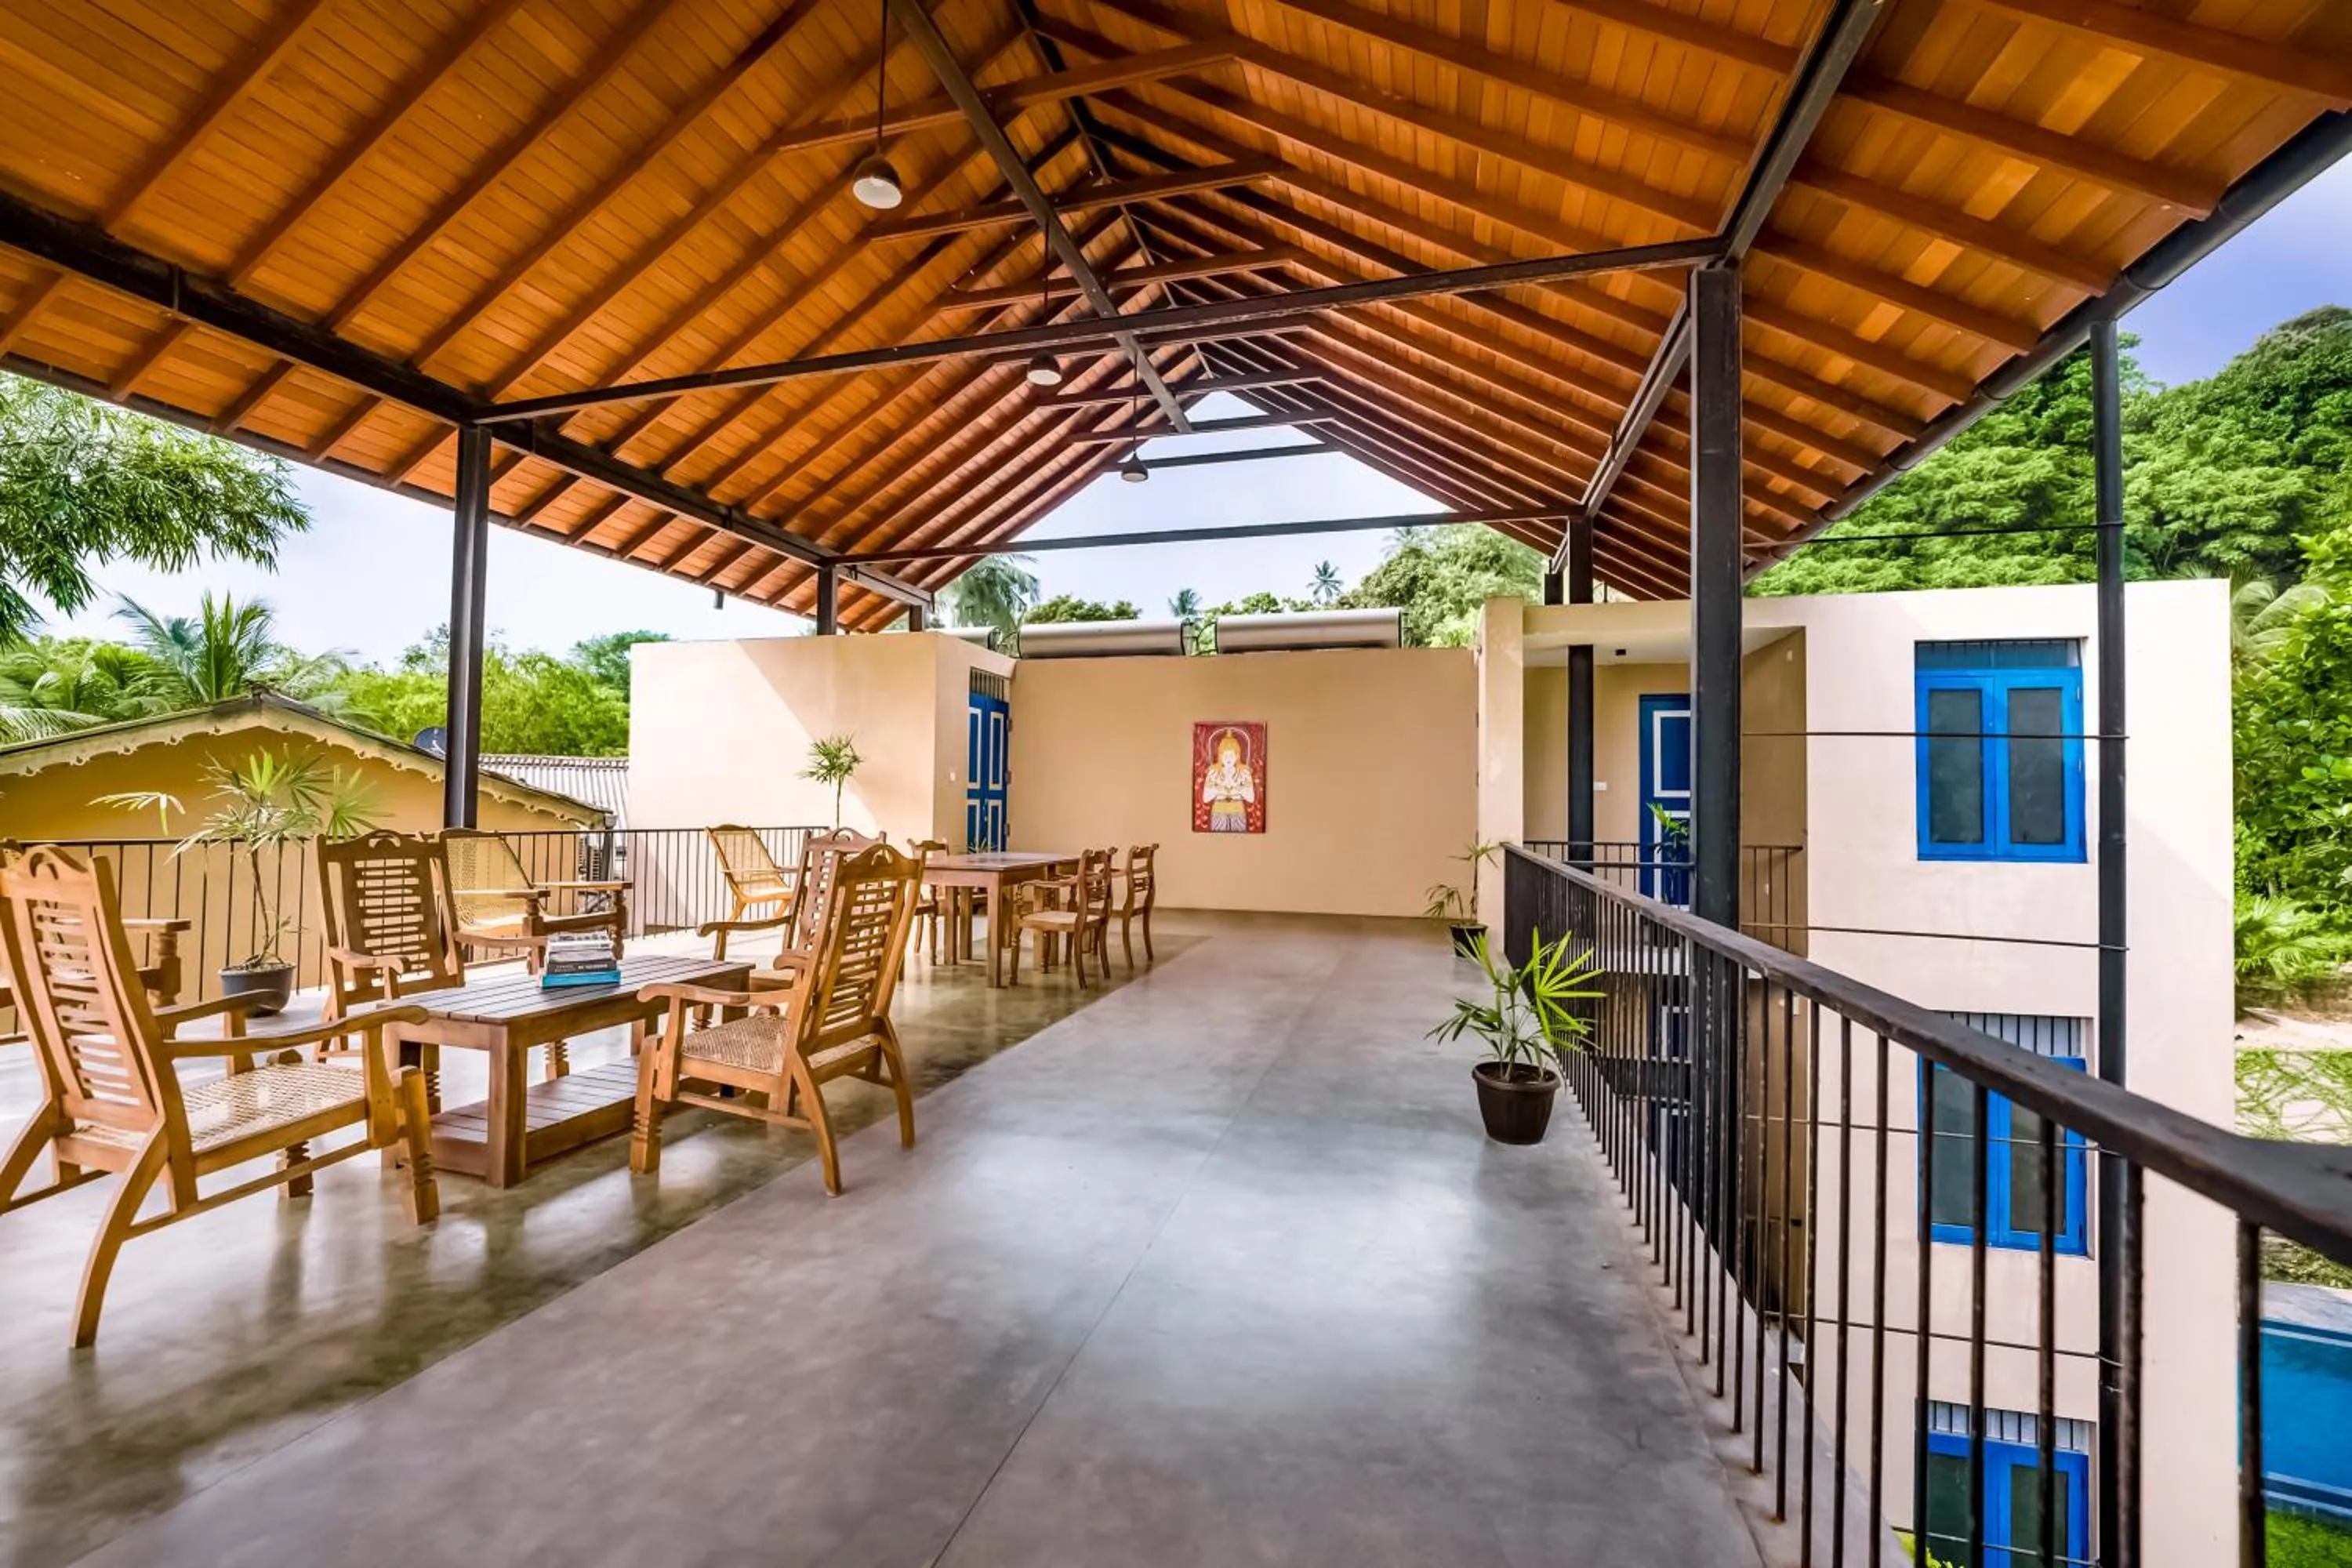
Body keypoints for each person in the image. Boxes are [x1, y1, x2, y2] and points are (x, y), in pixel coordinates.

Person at [1200, 729, 1256, 833]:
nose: (1228, 759)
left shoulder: (1244, 773)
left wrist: (1239, 790)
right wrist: (1219, 789)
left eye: (1232, 755)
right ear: (1220, 756)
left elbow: (1251, 798)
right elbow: (1206, 798)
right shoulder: (1213, 772)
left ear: (1237, 756)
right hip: (1219, 810)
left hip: (1238, 810)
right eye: (1225, 755)